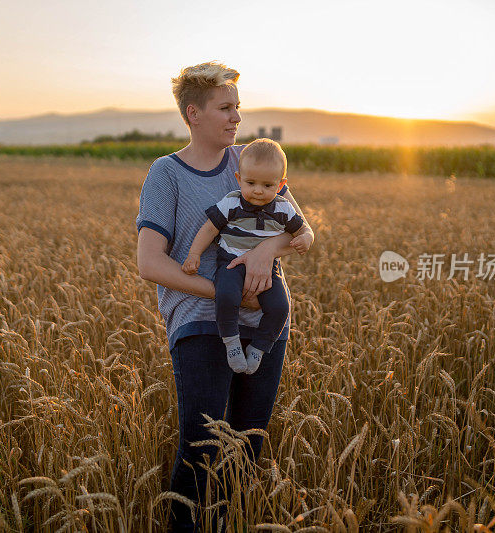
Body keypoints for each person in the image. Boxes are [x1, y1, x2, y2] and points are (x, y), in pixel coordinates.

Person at [135, 61, 314, 532]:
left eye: (238, 106)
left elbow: (301, 230)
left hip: (265, 326)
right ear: (193, 113)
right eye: (225, 107)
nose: (236, 117)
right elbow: (150, 263)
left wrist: (265, 253)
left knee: (247, 446)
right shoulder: (166, 174)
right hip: (197, 318)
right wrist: (225, 295)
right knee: (203, 445)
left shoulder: (250, 161)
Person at [181, 138, 313, 375]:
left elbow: (304, 231)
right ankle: (231, 342)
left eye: (268, 185)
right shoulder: (232, 202)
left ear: (281, 184)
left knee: (281, 307)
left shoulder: (283, 208)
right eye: (250, 183)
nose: (258, 191)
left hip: (267, 269)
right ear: (239, 179)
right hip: (231, 261)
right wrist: (194, 254)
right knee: (226, 295)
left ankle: (259, 348)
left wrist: (305, 240)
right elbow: (210, 229)